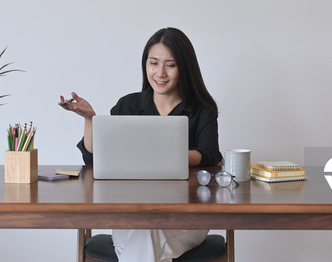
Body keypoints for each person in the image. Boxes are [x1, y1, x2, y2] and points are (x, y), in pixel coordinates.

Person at [59, 27, 222, 262]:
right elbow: (97, 160)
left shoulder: (202, 110)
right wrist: (90, 119)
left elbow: (211, 155)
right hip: (130, 215)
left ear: (185, 67)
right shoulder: (127, 106)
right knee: (144, 235)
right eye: (154, 63)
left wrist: (173, 156)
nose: (160, 73)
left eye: (171, 65)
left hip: (187, 217)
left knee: (145, 239)